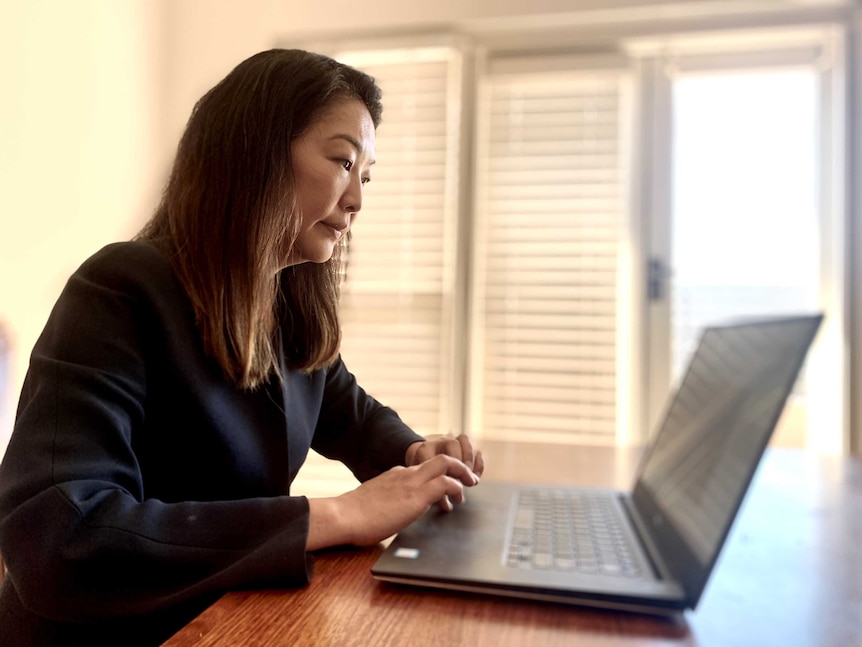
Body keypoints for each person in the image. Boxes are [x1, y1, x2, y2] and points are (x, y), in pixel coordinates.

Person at [0, 49, 484, 646]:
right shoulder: (121, 289)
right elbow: (60, 541)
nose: (357, 200)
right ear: (255, 152)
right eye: (342, 162)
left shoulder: (287, 306)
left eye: (367, 176)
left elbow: (352, 416)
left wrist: (416, 456)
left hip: (225, 620)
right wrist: (332, 515)